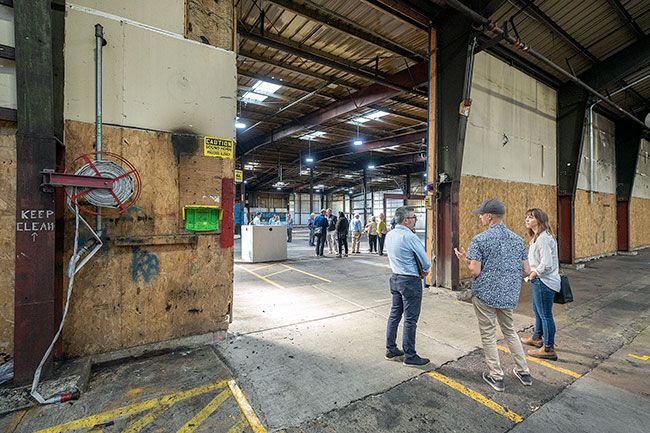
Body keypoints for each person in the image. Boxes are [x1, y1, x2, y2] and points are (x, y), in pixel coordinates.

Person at [454, 199, 533, 392]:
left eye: (481, 214)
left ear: (489, 217)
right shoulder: (517, 240)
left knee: (488, 334)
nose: (480, 217)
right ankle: (524, 372)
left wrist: (465, 260)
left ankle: (496, 376)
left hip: (485, 295)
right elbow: (526, 269)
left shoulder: (479, 240)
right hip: (508, 295)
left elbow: (475, 271)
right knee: (510, 331)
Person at [385, 206, 432, 367]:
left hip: (395, 278)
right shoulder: (409, 237)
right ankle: (410, 355)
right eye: (413, 218)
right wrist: (425, 271)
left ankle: (391, 348)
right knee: (410, 320)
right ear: (405, 220)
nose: (415, 220)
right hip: (410, 281)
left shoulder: (390, 235)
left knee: (394, 315)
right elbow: (425, 262)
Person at [521, 208, 561, 361]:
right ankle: (537, 337)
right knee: (537, 310)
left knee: (545, 314)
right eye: (526, 217)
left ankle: (549, 348)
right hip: (540, 280)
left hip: (545, 281)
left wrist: (534, 273)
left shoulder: (544, 238)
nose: (527, 220)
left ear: (539, 220)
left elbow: (547, 264)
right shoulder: (538, 238)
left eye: (530, 217)